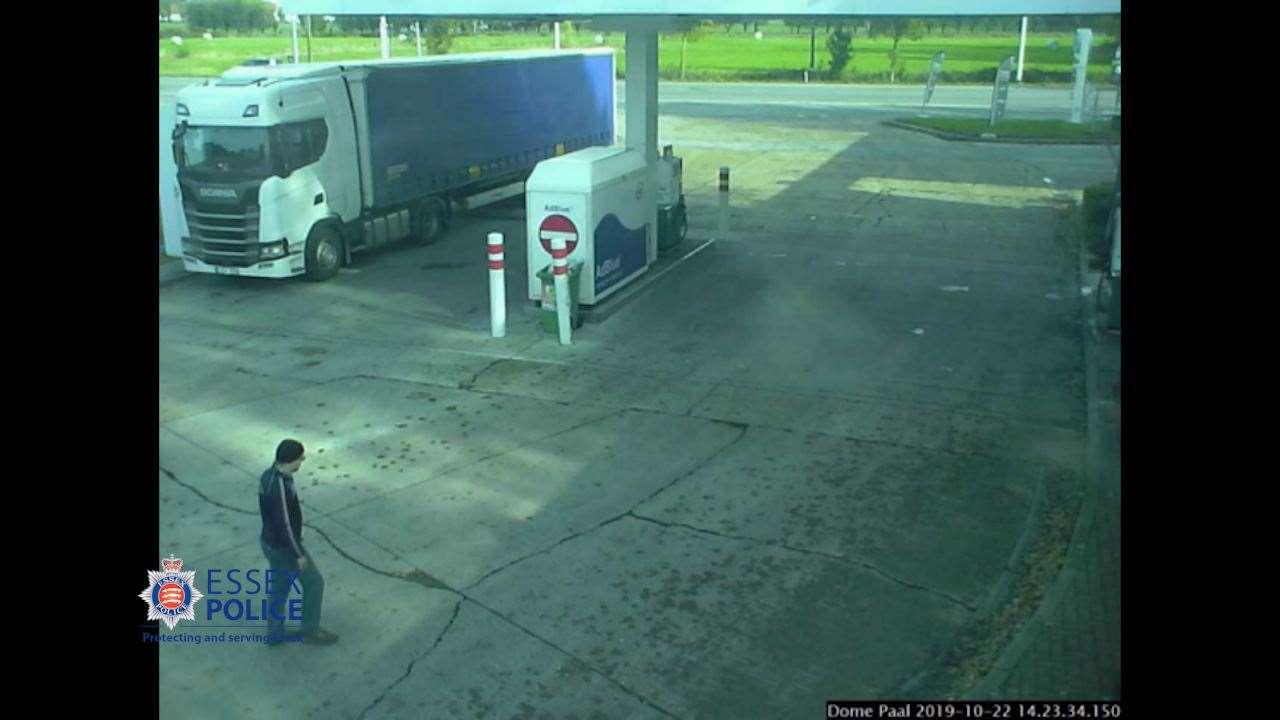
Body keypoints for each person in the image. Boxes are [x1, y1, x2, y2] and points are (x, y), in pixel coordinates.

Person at [258, 438, 339, 646]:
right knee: (314, 583)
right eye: (300, 458)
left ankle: (274, 633)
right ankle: (310, 630)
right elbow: (285, 523)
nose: (302, 461)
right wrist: (298, 553)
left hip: (271, 543)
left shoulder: (269, 476)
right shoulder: (280, 486)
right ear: (290, 460)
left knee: (279, 588)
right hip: (285, 547)